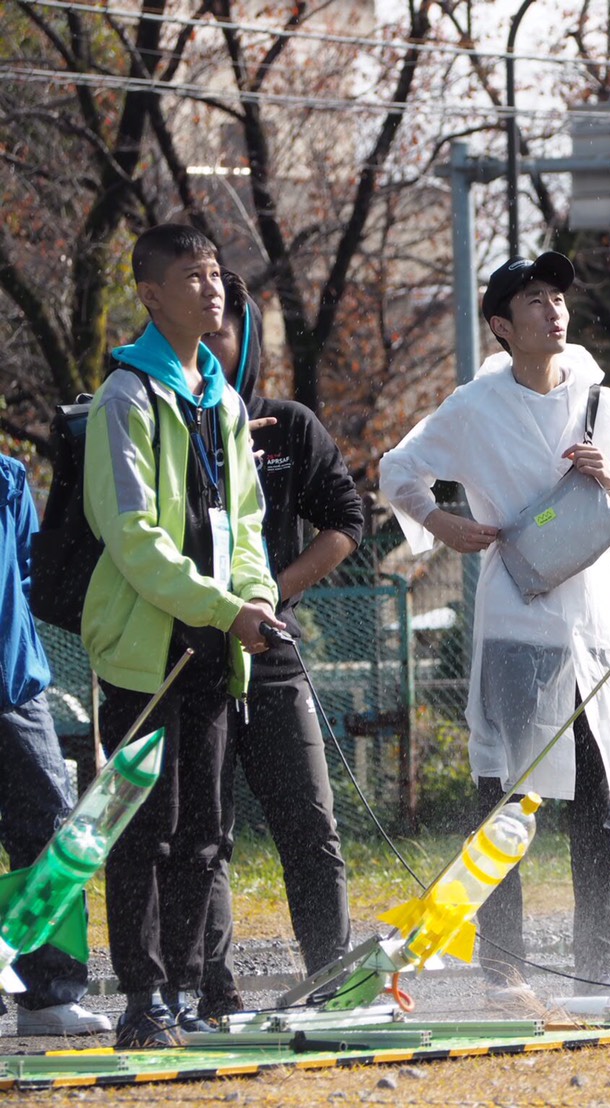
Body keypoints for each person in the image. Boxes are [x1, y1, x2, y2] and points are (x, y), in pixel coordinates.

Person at [379, 251, 610, 992]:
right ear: (502, 325)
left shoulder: (605, 402)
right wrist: (441, 521)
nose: (553, 310)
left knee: (597, 799)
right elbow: (394, 469)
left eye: (558, 296)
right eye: (534, 300)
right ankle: (503, 962)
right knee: (507, 797)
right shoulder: (474, 406)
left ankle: (601, 958)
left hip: (593, 616)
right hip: (517, 613)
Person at [82, 224, 282, 1048]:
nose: (211, 290)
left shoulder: (224, 402)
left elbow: (246, 525)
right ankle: (143, 997)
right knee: (141, 827)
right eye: (192, 277)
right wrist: (217, 607)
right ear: (150, 295)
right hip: (144, 654)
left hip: (215, 648)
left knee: (204, 832)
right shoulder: (125, 397)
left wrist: (257, 597)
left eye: (216, 276)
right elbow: (132, 537)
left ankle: (193, 985)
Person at [194, 271, 362, 1022]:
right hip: (188, 659)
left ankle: (335, 979)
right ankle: (211, 987)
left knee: (311, 825)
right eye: (195, 329)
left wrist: (274, 594)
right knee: (202, 834)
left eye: (222, 327)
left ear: (247, 341)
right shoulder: (155, 426)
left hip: (271, 651)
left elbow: (346, 522)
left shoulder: (288, 427)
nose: (207, 342)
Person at [0, 453, 113, 1037]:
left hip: (15, 683)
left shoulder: (8, 476)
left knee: (51, 828)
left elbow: (24, 570)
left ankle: (47, 995)